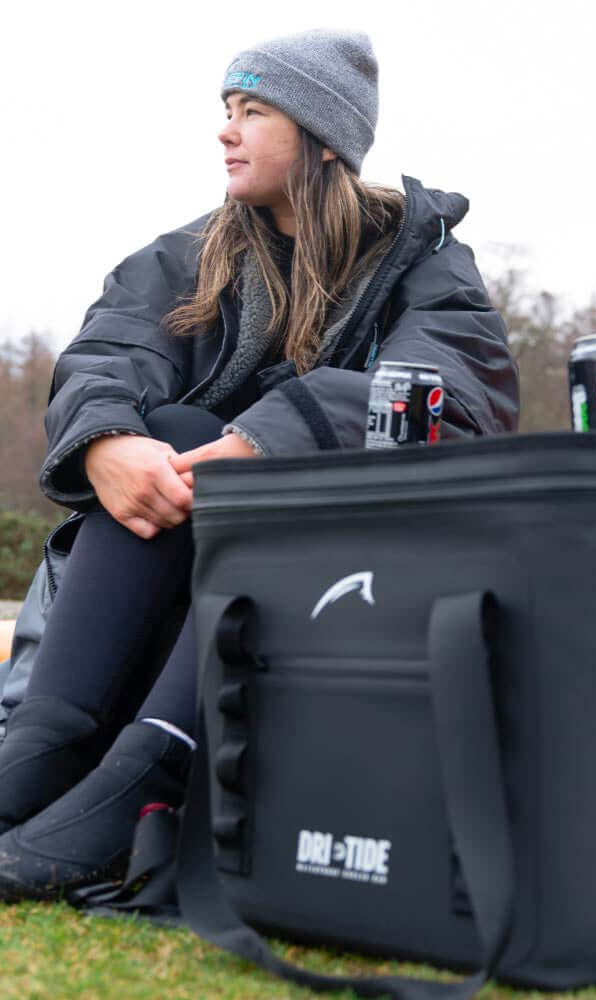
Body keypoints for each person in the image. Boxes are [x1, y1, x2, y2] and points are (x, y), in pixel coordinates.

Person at [0, 29, 519, 900]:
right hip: (172, 574)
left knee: (273, 461)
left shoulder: (426, 266)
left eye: (254, 112)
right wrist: (107, 441)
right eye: (226, 112)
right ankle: (45, 747)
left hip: (341, 576)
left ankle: (148, 772)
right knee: (162, 420)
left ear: (322, 138)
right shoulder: (188, 254)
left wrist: (271, 439)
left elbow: (450, 392)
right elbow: (109, 351)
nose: (225, 132)